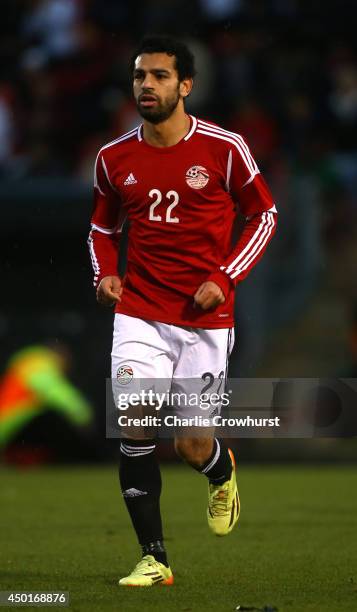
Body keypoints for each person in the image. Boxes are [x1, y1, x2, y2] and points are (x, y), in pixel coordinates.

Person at [88, 35, 277, 587]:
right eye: (140, 76)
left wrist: (225, 277)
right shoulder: (113, 157)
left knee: (190, 444)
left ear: (186, 85)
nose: (147, 85)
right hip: (140, 312)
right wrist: (106, 275)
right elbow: (102, 228)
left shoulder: (224, 148)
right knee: (135, 420)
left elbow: (263, 216)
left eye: (160, 76)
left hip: (204, 319)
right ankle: (155, 559)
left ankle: (220, 472)